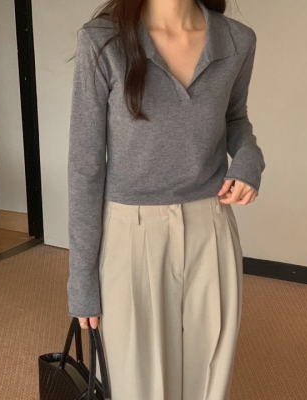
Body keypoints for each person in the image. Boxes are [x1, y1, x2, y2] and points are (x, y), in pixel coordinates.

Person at [67, 0, 265, 398]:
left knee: (207, 380)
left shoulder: (237, 40)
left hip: (211, 228)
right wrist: (82, 279)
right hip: (130, 234)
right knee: (136, 384)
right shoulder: (103, 41)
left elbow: (234, 117)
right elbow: (85, 167)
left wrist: (249, 160)